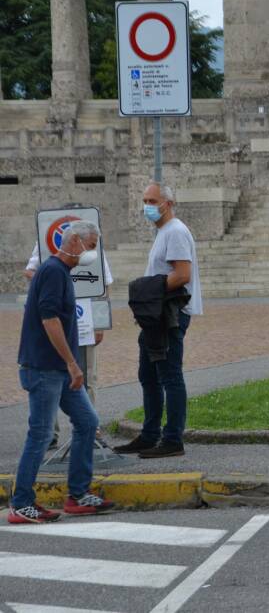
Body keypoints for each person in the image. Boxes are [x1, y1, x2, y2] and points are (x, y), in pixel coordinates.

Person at [9, 220, 116, 524]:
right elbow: (49, 319)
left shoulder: (61, 272)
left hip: (58, 368)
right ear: (74, 243)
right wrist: (72, 363)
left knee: (86, 421)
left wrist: (69, 365)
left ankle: (78, 494)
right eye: (91, 246)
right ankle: (21, 503)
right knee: (40, 434)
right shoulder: (54, 271)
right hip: (45, 368)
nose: (93, 253)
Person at [113, 184, 202, 459]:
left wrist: (148, 291)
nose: (147, 206)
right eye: (144, 200)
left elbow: (182, 274)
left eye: (152, 200)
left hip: (169, 315)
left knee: (169, 376)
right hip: (157, 315)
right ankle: (150, 434)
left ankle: (173, 438)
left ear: (168, 203)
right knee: (148, 376)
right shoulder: (164, 232)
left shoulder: (175, 231)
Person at [26, 242, 114, 449]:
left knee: (88, 375)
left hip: (85, 319)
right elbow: (29, 271)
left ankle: (91, 430)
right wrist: (52, 281)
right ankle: (49, 433)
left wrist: (100, 322)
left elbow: (103, 283)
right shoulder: (45, 243)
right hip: (55, 316)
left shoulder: (93, 245)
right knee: (50, 376)